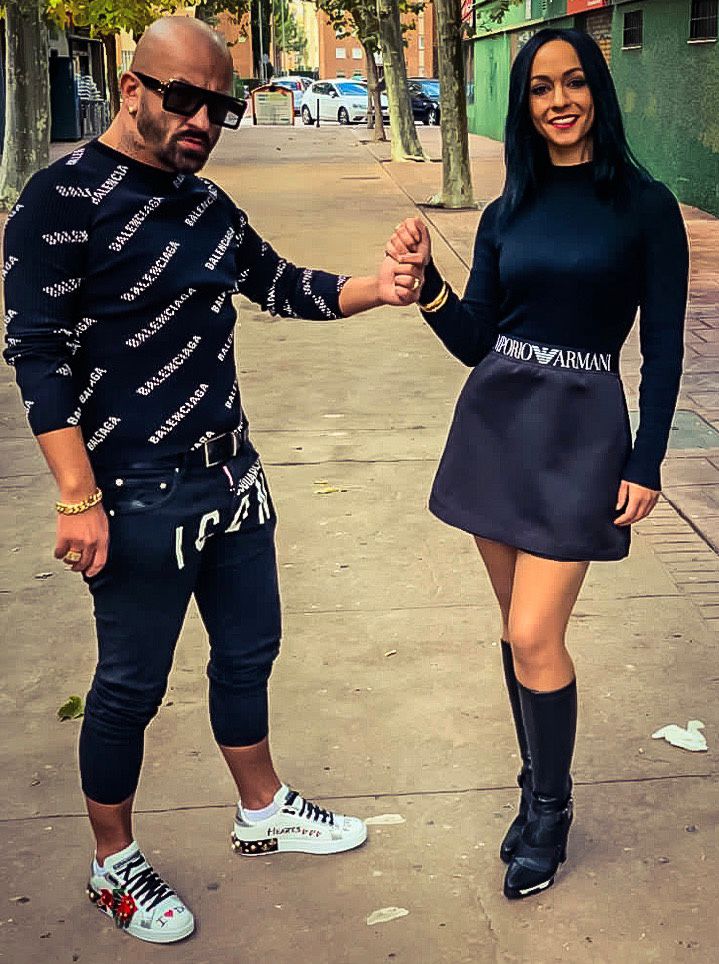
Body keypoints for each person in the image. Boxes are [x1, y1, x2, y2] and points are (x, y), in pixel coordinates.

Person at [3, 17, 424, 945]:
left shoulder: (207, 207)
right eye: (183, 97)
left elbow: (281, 284)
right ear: (132, 89)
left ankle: (261, 809)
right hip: (135, 491)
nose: (202, 120)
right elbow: (37, 353)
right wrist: (76, 495)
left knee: (246, 654)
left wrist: (380, 287)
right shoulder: (60, 198)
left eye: (218, 107)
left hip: (233, 477)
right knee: (129, 686)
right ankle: (112, 862)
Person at [386, 28, 688, 900]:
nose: (559, 100)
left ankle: (549, 813)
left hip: (582, 434)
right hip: (496, 427)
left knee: (532, 633)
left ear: (597, 91)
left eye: (573, 82)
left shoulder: (643, 206)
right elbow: (474, 338)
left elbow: (663, 348)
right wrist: (426, 287)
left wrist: (646, 459)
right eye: (540, 88)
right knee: (518, 631)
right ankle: (533, 788)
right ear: (524, 105)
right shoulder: (505, 211)